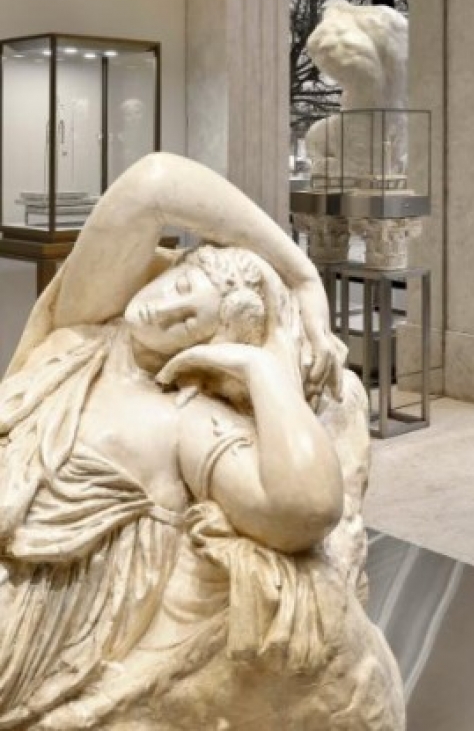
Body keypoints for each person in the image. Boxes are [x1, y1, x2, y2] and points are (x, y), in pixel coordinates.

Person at [0, 153, 404, 731]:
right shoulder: (86, 324)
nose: (164, 308)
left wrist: (265, 370)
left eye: (191, 320)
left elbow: (306, 508)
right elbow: (154, 182)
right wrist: (301, 274)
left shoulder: (189, 420)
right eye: (181, 283)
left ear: (210, 350)